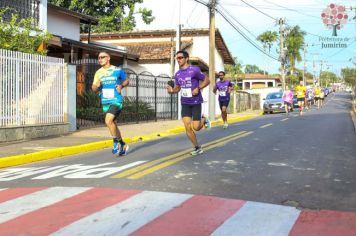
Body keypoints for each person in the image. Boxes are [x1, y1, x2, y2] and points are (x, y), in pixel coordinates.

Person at [167, 50, 211, 156]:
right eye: (177, 58)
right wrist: (172, 91)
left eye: (180, 57)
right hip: (185, 102)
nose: (178, 60)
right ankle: (197, 147)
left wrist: (199, 88)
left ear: (187, 58)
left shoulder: (194, 70)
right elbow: (178, 88)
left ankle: (204, 119)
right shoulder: (177, 74)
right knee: (187, 126)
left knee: (196, 127)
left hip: (196, 101)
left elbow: (207, 80)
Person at [92, 51, 129, 156]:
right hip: (105, 101)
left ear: (108, 58)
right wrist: (96, 86)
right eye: (98, 58)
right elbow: (93, 88)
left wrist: (121, 86)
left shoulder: (117, 70)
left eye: (102, 57)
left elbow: (126, 80)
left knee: (108, 121)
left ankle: (115, 142)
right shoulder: (98, 73)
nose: (100, 59)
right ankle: (122, 143)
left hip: (116, 100)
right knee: (113, 124)